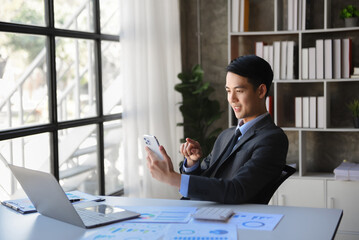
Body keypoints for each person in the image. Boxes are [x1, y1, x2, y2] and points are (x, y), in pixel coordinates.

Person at [145, 55, 288, 204]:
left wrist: (172, 178)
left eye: (239, 91)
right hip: (199, 211)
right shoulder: (226, 135)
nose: (231, 99)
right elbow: (206, 179)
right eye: (228, 91)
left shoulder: (273, 139)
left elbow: (237, 190)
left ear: (261, 91)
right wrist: (191, 163)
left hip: (230, 221)